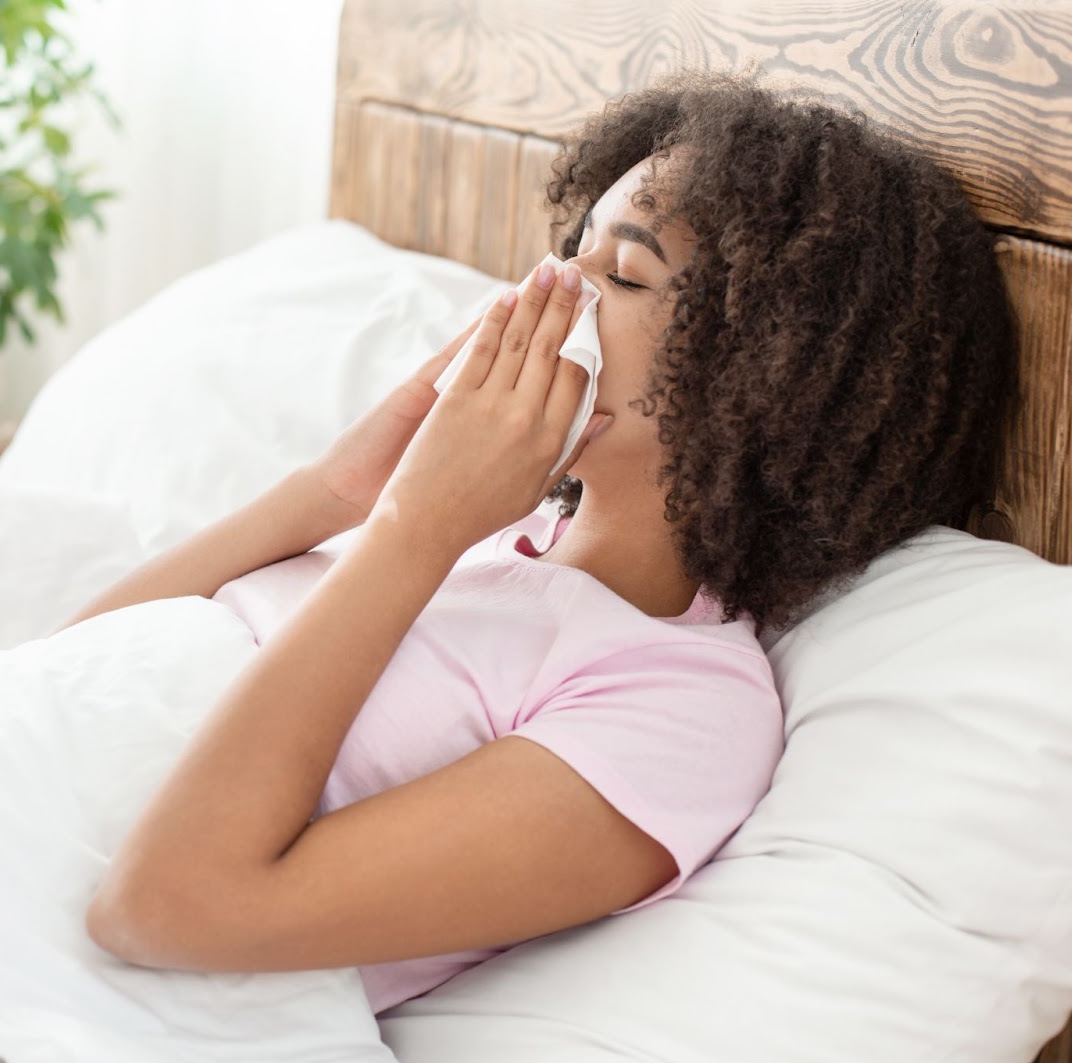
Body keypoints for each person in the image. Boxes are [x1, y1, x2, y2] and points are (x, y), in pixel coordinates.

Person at [69, 73, 1018, 1015]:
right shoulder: (488, 537)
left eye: (624, 273)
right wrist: (334, 493)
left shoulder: (680, 710)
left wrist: (412, 532)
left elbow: (161, 908)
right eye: (569, 250)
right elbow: (64, 669)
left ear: (766, 377)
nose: (547, 292)